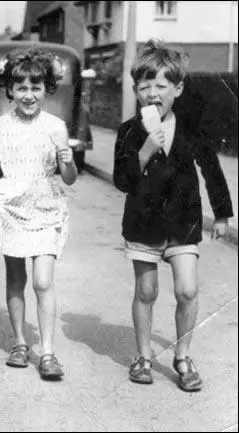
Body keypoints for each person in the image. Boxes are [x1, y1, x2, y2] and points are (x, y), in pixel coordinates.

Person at [113, 39, 234, 392]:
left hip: (184, 222)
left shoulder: (191, 128)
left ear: (177, 89)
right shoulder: (130, 131)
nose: (152, 93)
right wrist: (147, 147)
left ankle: (182, 356)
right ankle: (143, 356)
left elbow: (211, 169)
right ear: (135, 89)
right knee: (146, 291)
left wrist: (223, 214)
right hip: (143, 223)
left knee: (187, 289)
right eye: (144, 86)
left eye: (161, 86)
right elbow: (123, 180)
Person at [0, 47, 77, 380]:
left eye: (35, 87)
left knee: (43, 281)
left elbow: (68, 178)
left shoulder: (56, 126)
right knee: (16, 280)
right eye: (21, 87)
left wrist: (67, 160)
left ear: (46, 88)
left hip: (45, 208)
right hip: (11, 211)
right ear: (9, 90)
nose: (29, 95)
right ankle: (20, 342)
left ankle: (49, 352)